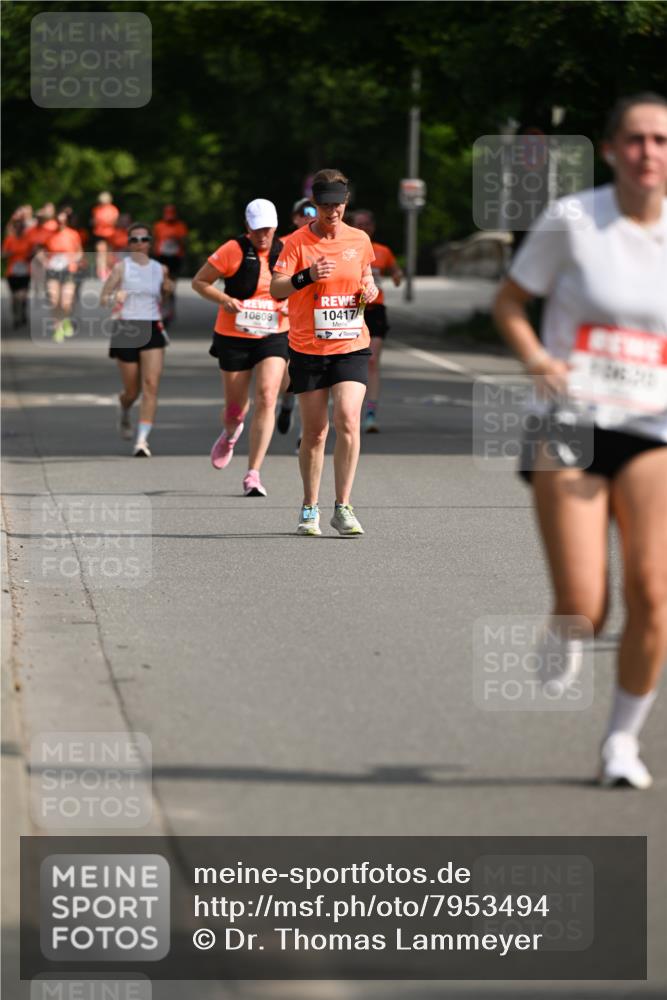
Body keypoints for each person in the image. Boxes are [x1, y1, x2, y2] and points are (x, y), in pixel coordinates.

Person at [493, 93, 667, 789]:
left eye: (659, 140)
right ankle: (566, 625)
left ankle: (620, 744)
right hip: (571, 422)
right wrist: (537, 359)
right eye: (633, 140)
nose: (647, 152)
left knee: (653, 594)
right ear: (608, 149)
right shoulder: (573, 221)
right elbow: (509, 303)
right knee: (585, 605)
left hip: (653, 427)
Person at [270, 168, 379, 536]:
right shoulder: (297, 243)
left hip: (351, 343)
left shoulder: (360, 239)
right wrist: (307, 276)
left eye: (339, 204)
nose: (333, 212)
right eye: (326, 205)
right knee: (316, 432)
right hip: (308, 347)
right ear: (315, 205)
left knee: (348, 419)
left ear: (346, 203)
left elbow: (366, 277)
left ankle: (343, 507)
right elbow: (277, 289)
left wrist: (370, 289)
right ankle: (309, 507)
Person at [191, 199, 289, 497]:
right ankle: (232, 433)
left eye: (268, 229)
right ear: (247, 227)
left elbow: (303, 285)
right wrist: (225, 300)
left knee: (267, 395)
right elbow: (200, 282)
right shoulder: (232, 250)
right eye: (257, 229)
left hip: (274, 332)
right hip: (234, 334)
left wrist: (289, 304)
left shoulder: (286, 250)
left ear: (275, 227)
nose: (263, 235)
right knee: (235, 409)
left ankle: (253, 473)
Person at [100, 222, 172, 457]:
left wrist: (169, 288)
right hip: (126, 328)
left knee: (151, 386)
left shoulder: (160, 269)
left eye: (144, 239)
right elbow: (103, 298)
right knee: (132, 391)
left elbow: (166, 293)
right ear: (128, 244)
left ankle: (142, 440)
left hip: (152, 326)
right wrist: (114, 297)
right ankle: (124, 408)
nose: (139, 244)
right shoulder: (122, 268)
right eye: (134, 240)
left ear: (151, 243)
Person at [351, 209, 403, 432]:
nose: (364, 228)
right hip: (352, 309)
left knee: (372, 361)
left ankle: (370, 414)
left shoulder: (383, 251)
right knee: (350, 363)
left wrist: (397, 276)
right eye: (359, 224)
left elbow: (396, 272)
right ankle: (348, 410)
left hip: (375, 310)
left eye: (368, 224)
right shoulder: (347, 249)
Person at [276, 197, 318, 435]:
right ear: (294, 218)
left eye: (312, 213)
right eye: (303, 214)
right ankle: (287, 404)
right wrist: (278, 303)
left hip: (315, 319)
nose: (308, 217)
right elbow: (270, 283)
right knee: (286, 372)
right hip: (285, 319)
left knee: (313, 379)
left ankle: (305, 434)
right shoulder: (282, 244)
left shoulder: (326, 242)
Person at [43, 208, 83, 342]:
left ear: (66, 221)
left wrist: (73, 260)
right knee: (54, 299)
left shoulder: (73, 234)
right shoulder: (48, 235)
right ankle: (57, 327)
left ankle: (65, 320)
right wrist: (45, 262)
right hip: (53, 270)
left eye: (63, 221)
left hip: (69, 269)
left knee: (66, 302)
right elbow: (41, 252)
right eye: (58, 221)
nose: (61, 223)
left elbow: (79, 252)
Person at [153, 204, 188, 323]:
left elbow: (184, 242)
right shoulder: (159, 226)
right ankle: (161, 309)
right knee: (161, 285)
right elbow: (155, 242)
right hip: (162, 257)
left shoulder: (180, 226)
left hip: (175, 258)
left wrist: (176, 238)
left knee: (171, 286)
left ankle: (170, 310)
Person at [2, 210, 33, 328]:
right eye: (17, 227)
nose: (19, 229)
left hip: (25, 271)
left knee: (22, 295)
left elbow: (33, 253)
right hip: (13, 272)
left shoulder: (28, 240)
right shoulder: (9, 240)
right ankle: (16, 317)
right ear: (15, 228)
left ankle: (23, 312)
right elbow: (3, 254)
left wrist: (31, 255)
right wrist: (9, 253)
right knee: (15, 297)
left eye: (21, 227)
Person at [91, 192, 120, 279]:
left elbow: (115, 222)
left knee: (109, 253)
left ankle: (109, 270)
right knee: (101, 252)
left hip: (110, 234)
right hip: (100, 233)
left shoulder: (113, 210)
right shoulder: (96, 210)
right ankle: (102, 272)